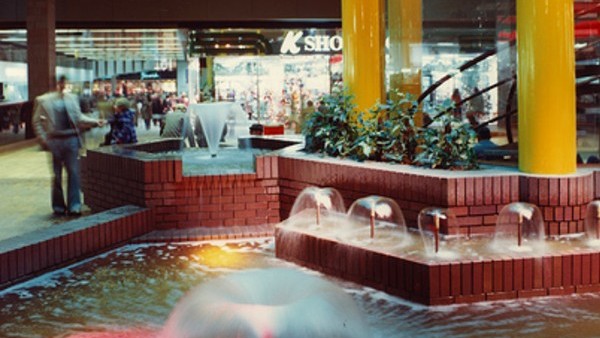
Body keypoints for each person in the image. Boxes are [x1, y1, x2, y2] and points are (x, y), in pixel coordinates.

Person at [32, 75, 104, 216]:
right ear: (55, 84)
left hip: (71, 139)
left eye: (65, 82)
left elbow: (78, 117)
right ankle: (58, 206)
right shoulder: (43, 100)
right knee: (57, 175)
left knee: (73, 173)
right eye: (61, 82)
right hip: (55, 140)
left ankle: (74, 205)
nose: (63, 85)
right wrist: (44, 139)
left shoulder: (72, 98)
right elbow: (36, 121)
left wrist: (95, 122)